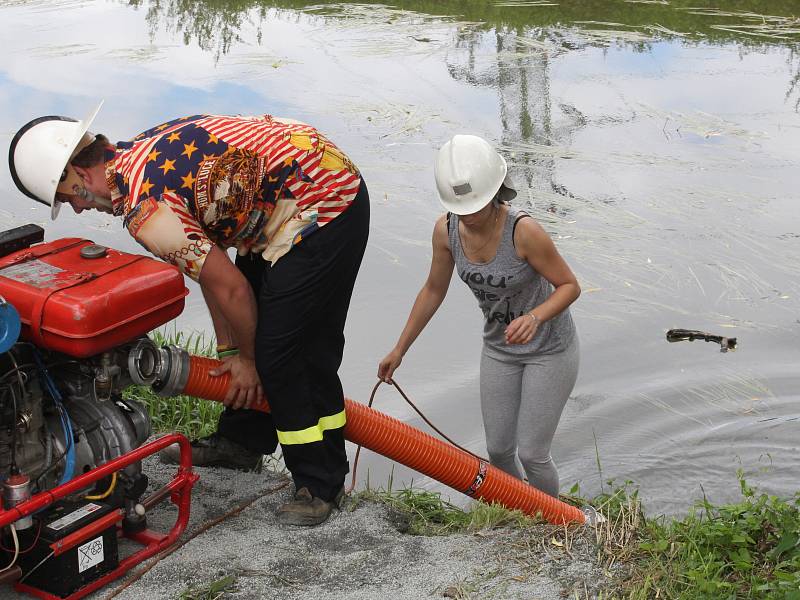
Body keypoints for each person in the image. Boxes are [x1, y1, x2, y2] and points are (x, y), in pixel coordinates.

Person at [9, 103, 370, 525]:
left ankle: (320, 482)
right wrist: (231, 350)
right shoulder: (138, 155)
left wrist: (250, 361)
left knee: (283, 354)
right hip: (286, 192)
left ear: (82, 175)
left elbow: (231, 287)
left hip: (323, 202)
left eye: (67, 197)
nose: (76, 209)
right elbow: (214, 275)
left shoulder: (148, 209)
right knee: (257, 343)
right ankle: (243, 440)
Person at [378, 134, 579, 498]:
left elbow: (569, 286)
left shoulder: (524, 231)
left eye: (475, 206)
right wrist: (400, 349)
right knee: (499, 450)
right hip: (499, 349)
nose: (467, 216)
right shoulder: (446, 231)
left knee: (533, 453)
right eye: (460, 208)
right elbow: (432, 291)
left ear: (495, 194)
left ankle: (553, 521)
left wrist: (534, 317)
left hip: (550, 350)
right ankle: (518, 511)